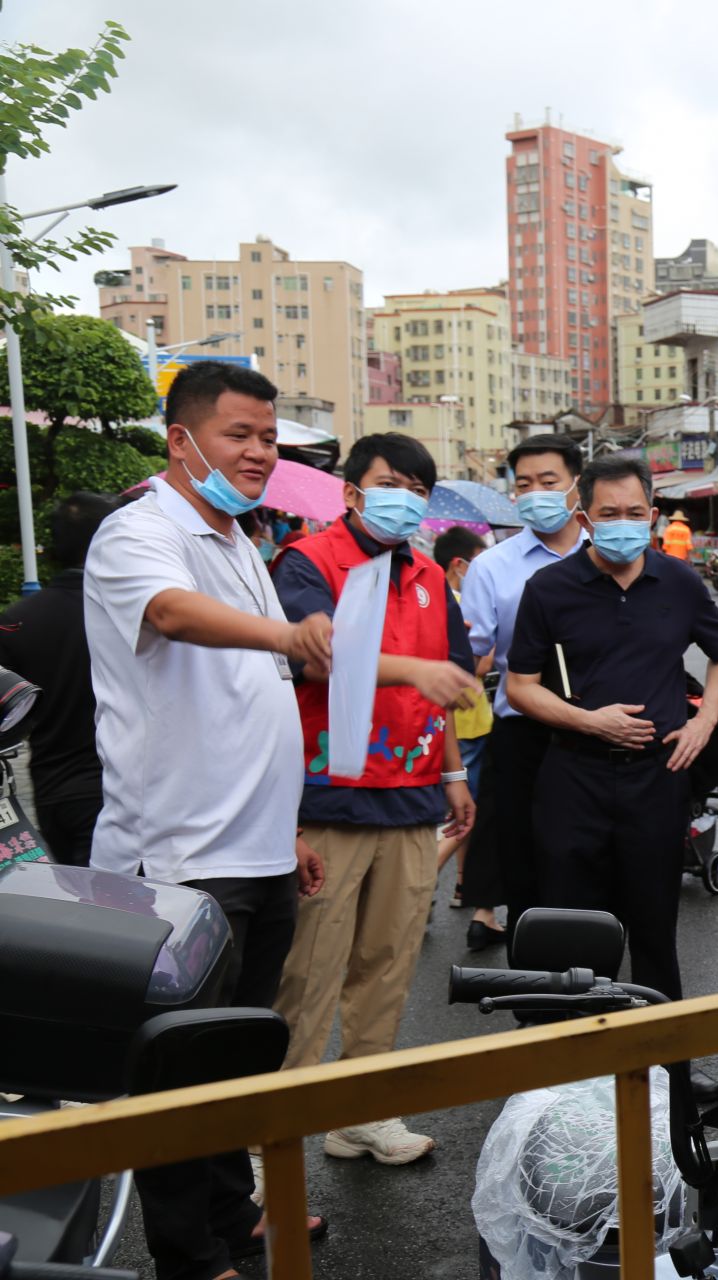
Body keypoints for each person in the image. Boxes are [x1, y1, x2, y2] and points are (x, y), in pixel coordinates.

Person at [84, 360, 330, 1280]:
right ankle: (190, 1256)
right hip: (182, 858)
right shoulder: (140, 530)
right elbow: (174, 617)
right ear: (181, 439)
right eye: (240, 435)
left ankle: (236, 1216)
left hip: (259, 847)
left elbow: (250, 693)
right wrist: (288, 634)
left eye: (269, 437)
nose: (260, 453)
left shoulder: (237, 538)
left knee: (235, 1053)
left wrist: (291, 826)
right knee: (179, 1073)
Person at [269, 432, 480, 1167]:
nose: (407, 498)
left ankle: (362, 1112)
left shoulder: (427, 573)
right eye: (392, 482)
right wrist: (415, 672)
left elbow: (446, 687)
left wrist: (453, 773)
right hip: (328, 799)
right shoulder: (309, 561)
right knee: (309, 976)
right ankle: (272, 1143)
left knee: (386, 966)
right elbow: (311, 653)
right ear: (353, 492)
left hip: (413, 796)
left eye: (420, 488)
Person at [506, 455, 718, 1099]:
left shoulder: (679, 581)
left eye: (635, 514)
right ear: (584, 519)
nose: (622, 525)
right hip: (572, 780)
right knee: (574, 934)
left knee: (655, 932)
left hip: (657, 781)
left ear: (654, 517)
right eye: (607, 514)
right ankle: (571, 1085)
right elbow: (520, 687)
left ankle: (670, 1077)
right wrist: (589, 721)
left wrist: (706, 720)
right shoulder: (550, 588)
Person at [458, 433, 587, 950]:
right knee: (525, 852)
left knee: (589, 853)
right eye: (525, 484)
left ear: (577, 485)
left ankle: (595, 961)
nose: (536, 493)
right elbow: (471, 651)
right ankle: (537, 977)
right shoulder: (493, 566)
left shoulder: (611, 553)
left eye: (549, 481)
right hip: (522, 732)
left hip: (600, 731)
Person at [0, 492, 116, 864]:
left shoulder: (17, 619)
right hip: (118, 792)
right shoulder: (131, 613)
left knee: (79, 905)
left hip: (51, 789)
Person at [434, 526, 494, 904]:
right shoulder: (457, 602)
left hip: (453, 723)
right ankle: (421, 884)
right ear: (459, 565)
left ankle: (463, 886)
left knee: (464, 811)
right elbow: (476, 664)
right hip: (466, 722)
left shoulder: (430, 597)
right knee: (465, 813)